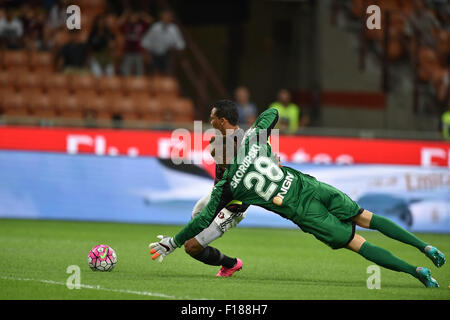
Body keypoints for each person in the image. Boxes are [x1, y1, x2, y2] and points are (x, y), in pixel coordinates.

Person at [149, 103, 446, 288]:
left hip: (303, 212)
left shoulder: (229, 185)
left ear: (223, 159)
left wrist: (172, 242)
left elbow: (202, 218)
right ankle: (425, 247)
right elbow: (273, 113)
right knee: (366, 217)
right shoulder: (254, 141)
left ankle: (416, 271)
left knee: (358, 242)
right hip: (311, 186)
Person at [182, 100, 250, 277]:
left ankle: (232, 264)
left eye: (212, 118)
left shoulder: (247, 143)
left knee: (191, 247)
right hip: (217, 196)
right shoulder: (219, 141)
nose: (209, 122)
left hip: (234, 205)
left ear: (222, 120)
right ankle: (229, 263)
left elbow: (272, 161)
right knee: (190, 236)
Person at [140, 9, 185, 75]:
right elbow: (145, 41)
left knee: (167, 72)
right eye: (164, 17)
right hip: (154, 54)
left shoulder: (174, 29)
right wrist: (146, 54)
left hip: (166, 54)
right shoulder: (155, 27)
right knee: (153, 73)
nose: (166, 19)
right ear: (161, 18)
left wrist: (176, 47)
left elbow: (181, 44)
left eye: (168, 17)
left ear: (171, 19)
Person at [118, 10, 152, 76]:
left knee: (139, 72)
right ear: (130, 17)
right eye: (132, 16)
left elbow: (150, 21)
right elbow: (118, 24)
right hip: (128, 51)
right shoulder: (126, 25)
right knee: (125, 71)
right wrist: (124, 15)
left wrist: (143, 15)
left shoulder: (141, 25)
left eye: (136, 16)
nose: (134, 17)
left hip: (138, 51)